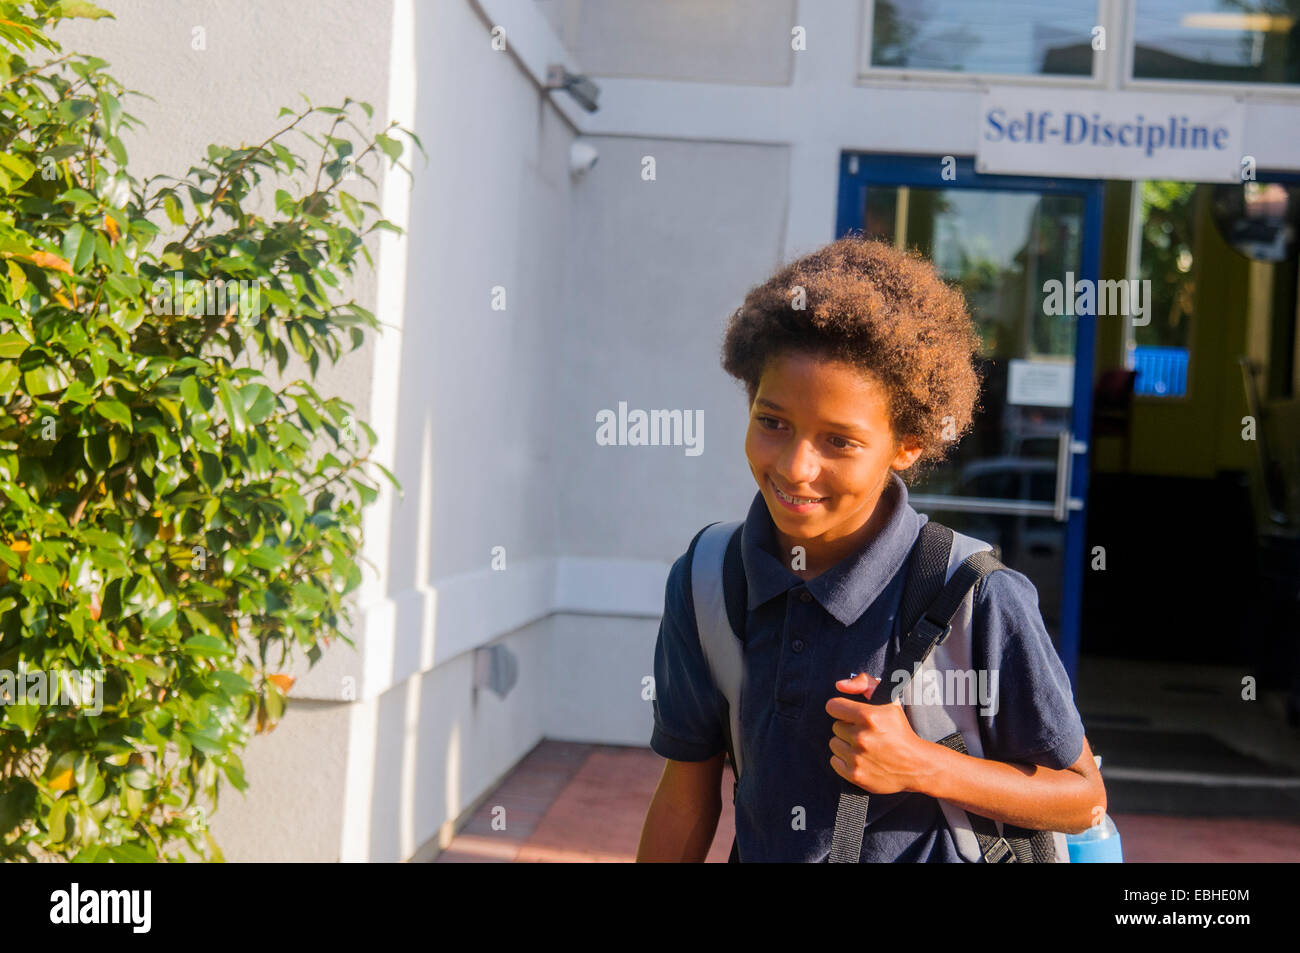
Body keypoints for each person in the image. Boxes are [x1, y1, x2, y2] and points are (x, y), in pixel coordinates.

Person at [636, 235, 1106, 862]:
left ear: (907, 445)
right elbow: (687, 795)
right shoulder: (707, 581)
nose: (797, 467)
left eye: (840, 441)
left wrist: (921, 764)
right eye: (772, 422)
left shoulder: (974, 593)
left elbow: (1083, 799)